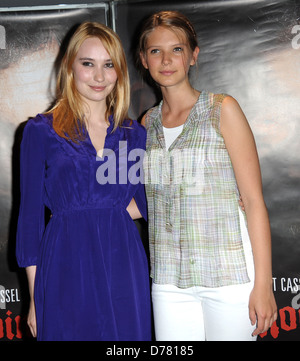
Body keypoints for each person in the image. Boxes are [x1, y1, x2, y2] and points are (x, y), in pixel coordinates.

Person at [138, 11, 277, 341]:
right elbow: (145, 201)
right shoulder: (146, 124)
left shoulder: (222, 109)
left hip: (229, 278)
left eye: (177, 49)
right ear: (144, 59)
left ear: (193, 55)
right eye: (156, 51)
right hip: (169, 283)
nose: (167, 59)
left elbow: (254, 202)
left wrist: (263, 285)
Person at [16, 22, 151, 341]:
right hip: (65, 260)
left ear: (120, 71)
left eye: (109, 65)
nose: (100, 76)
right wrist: (36, 298)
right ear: (70, 66)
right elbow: (30, 220)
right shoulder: (41, 131)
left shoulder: (133, 135)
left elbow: (147, 204)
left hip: (122, 263)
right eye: (88, 64)